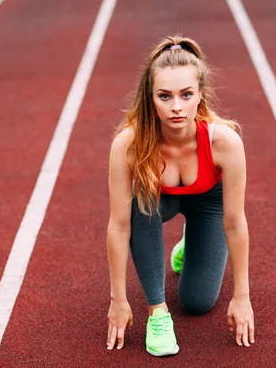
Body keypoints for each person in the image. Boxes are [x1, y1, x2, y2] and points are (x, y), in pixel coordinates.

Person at [105, 35, 254, 356]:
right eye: (165, 96)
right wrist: (118, 299)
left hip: (208, 205)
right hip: (160, 201)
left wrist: (242, 296)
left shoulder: (224, 142)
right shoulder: (129, 145)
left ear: (201, 95)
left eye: (186, 95)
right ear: (150, 98)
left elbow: (235, 222)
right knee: (141, 207)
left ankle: (193, 239)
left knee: (197, 302)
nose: (176, 107)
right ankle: (157, 313)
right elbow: (118, 226)